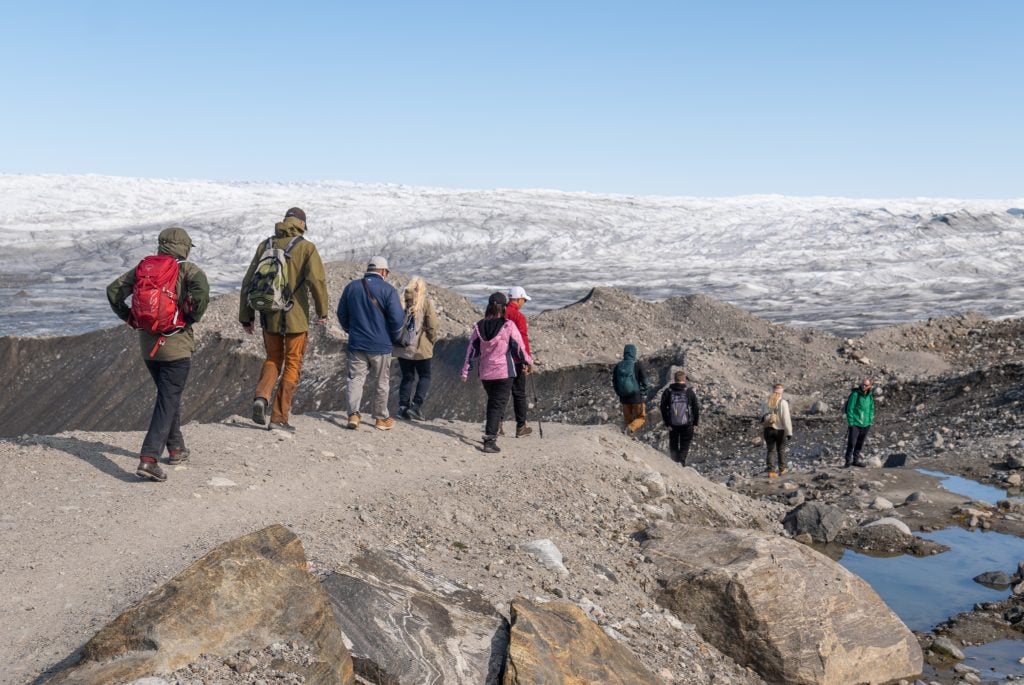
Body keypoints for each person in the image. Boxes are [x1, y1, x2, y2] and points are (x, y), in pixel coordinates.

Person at [106, 228, 209, 482]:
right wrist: (188, 319)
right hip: (177, 346)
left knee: (167, 396)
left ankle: (176, 449)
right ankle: (149, 459)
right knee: (168, 398)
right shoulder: (189, 270)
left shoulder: (144, 268)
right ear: (185, 246)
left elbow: (113, 291)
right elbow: (202, 295)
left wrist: (130, 317)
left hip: (148, 348)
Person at [239, 207, 329, 432]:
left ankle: (261, 396)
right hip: (296, 319)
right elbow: (317, 281)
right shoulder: (306, 248)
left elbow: (248, 282)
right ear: (302, 224)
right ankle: (279, 418)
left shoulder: (266, 245)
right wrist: (322, 312)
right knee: (292, 364)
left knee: (272, 358)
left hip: (268, 316)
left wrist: (246, 317)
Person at [337, 255, 404, 430]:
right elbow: (397, 319)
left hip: (357, 343)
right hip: (381, 345)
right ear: (382, 271)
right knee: (381, 381)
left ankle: (353, 415)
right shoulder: (389, 290)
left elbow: (341, 313)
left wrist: (349, 330)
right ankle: (381, 418)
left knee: (355, 379)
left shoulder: (351, 287)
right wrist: (394, 336)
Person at [461, 291, 533, 453]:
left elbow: (471, 350)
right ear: (503, 307)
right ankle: (489, 440)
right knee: (496, 405)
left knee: (494, 402)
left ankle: (492, 432)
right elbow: (518, 349)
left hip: (485, 373)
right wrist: (528, 361)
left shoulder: (479, 326)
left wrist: (466, 370)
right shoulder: (508, 325)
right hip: (503, 372)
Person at [394, 276, 439, 420]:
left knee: (407, 377)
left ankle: (402, 408)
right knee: (425, 376)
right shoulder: (425, 303)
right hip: (421, 348)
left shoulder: (400, 301)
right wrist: (431, 340)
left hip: (403, 347)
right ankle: (416, 406)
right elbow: (432, 325)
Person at [503, 285, 534, 437]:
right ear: (519, 299)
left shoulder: (500, 312)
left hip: (500, 359)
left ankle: (497, 426)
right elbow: (523, 339)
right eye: (524, 300)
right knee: (519, 393)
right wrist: (528, 361)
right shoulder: (518, 317)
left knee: (500, 394)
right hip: (516, 359)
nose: (524, 303)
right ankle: (521, 427)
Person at [659, 370, 701, 465]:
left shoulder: (668, 391)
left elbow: (662, 408)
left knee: (673, 444)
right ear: (684, 379)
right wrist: (695, 423)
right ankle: (681, 463)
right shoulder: (689, 392)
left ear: (674, 379)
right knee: (685, 444)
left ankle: (675, 462)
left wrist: (667, 423)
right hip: (688, 423)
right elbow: (696, 408)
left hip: (673, 424)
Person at [612, 344, 648, 434]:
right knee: (641, 417)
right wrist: (644, 392)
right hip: (637, 397)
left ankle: (629, 436)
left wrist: (619, 393)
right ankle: (631, 430)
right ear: (634, 353)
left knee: (628, 419)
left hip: (624, 398)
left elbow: (614, 382)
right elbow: (644, 380)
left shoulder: (618, 366)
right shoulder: (637, 364)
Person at [759, 383, 793, 477]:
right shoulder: (783, 402)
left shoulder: (765, 402)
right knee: (781, 450)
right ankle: (782, 469)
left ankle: (771, 471)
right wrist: (789, 432)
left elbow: (761, 416)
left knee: (771, 450)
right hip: (780, 430)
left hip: (768, 429)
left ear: (772, 390)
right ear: (781, 391)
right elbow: (786, 418)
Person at [844, 377, 875, 467]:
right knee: (851, 442)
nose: (863, 386)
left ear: (870, 386)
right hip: (855, 423)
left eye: (866, 385)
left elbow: (871, 408)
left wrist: (870, 420)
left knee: (860, 443)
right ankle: (848, 460)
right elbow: (850, 408)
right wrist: (851, 422)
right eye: (862, 384)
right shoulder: (855, 394)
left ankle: (855, 460)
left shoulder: (870, 396)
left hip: (866, 424)